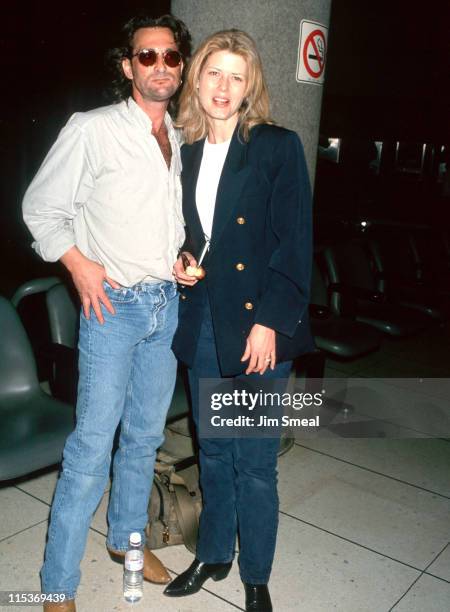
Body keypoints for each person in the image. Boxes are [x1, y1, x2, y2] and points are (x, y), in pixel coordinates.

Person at [22, 13, 190, 612]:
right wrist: (78, 264)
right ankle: (57, 587)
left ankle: (127, 544)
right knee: (92, 447)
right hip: (112, 308)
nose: (161, 67)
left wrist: (180, 259)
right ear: (127, 67)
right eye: (148, 57)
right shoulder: (92, 130)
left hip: (163, 307)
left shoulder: (174, 136)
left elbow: (159, 223)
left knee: (144, 439)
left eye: (171, 57)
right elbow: (40, 209)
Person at [164, 30, 313, 612]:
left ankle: (256, 574)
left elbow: (292, 245)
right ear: (196, 81)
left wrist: (270, 322)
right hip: (205, 322)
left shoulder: (275, 145)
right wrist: (185, 260)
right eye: (213, 74)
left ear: (250, 85)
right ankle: (213, 553)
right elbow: (199, 236)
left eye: (236, 76)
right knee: (215, 450)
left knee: (254, 461)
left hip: (259, 327)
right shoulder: (189, 151)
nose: (223, 87)